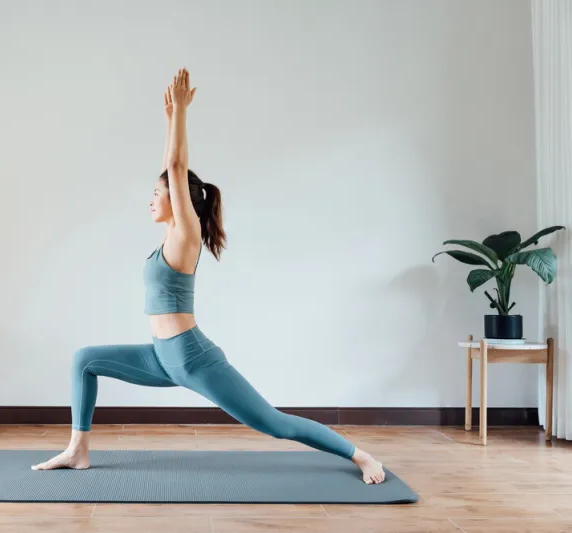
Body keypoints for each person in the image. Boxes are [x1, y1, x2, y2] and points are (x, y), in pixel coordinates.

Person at [32, 68, 386, 484]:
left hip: (192, 358)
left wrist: (178, 114)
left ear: (180, 201)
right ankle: (78, 450)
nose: (150, 199)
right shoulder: (167, 239)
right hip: (161, 357)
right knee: (85, 360)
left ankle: (361, 456)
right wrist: (169, 121)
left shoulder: (187, 235)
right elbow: (170, 169)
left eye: (157, 193)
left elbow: (176, 165)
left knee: (274, 424)